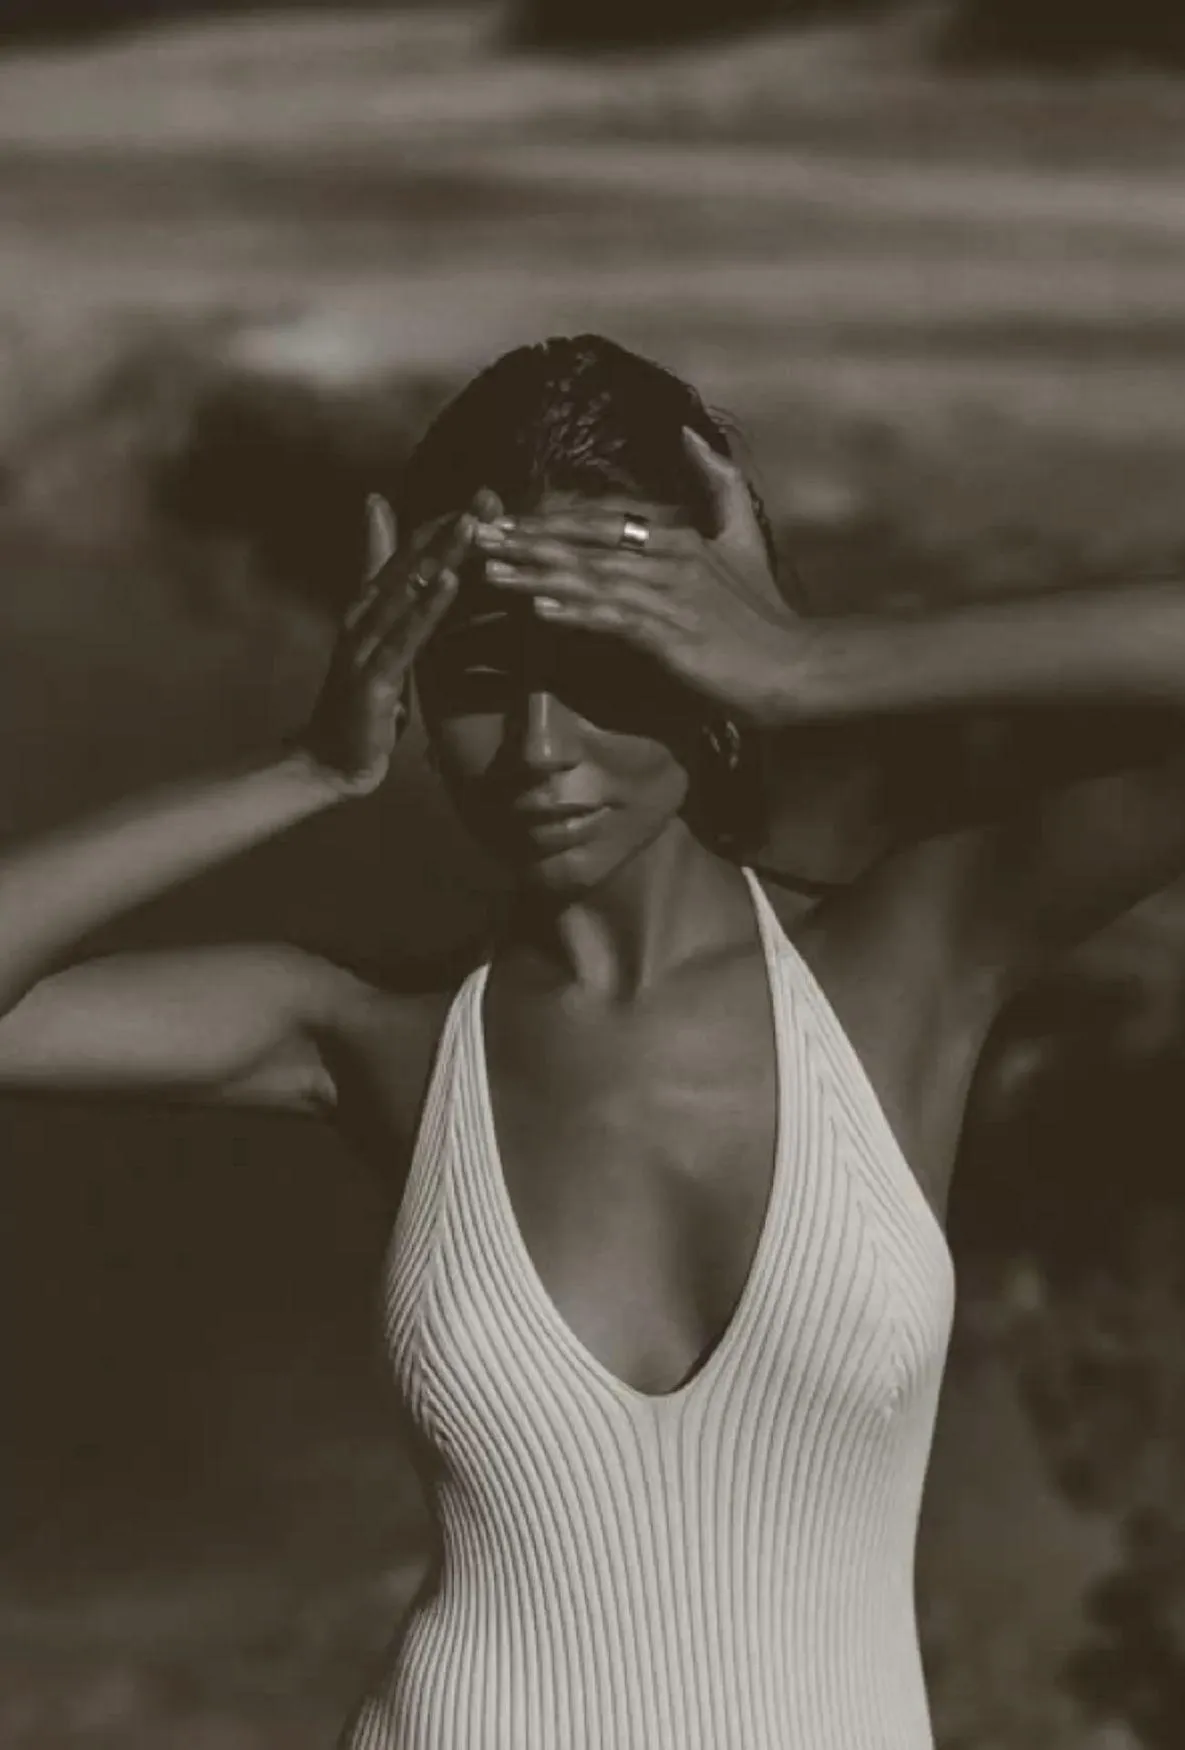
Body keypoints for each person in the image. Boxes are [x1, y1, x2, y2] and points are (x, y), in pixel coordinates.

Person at [3, 333, 1185, 1750]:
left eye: (612, 660)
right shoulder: (375, 1030)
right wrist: (302, 768)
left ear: (709, 657)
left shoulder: (905, 957)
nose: (542, 746)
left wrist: (820, 662)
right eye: (482, 674)